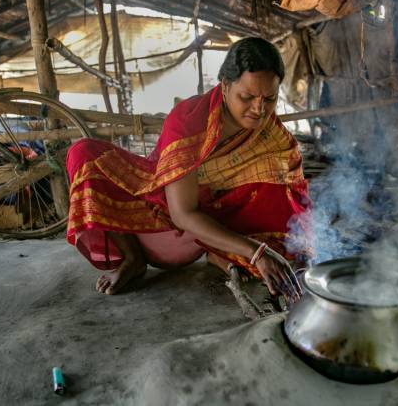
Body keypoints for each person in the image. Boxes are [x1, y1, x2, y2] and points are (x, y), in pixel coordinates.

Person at [65, 37, 310, 300]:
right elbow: (182, 214)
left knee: (284, 204)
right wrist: (257, 252)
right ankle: (133, 258)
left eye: (270, 98)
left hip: (215, 221)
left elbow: (294, 197)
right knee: (83, 153)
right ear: (225, 86)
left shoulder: (272, 134)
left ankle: (221, 253)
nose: (259, 109)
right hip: (161, 215)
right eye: (247, 97)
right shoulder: (189, 120)